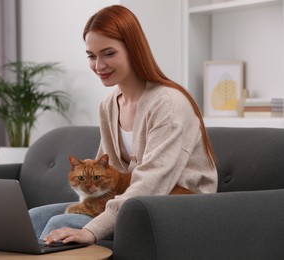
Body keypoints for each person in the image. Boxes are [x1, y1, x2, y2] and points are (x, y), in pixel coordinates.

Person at [29, 4, 218, 245]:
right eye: (91, 55)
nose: (98, 66)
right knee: (34, 217)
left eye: (108, 53)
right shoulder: (108, 104)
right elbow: (110, 173)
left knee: (59, 225)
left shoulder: (168, 104)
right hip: (133, 202)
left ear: (134, 50)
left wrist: (92, 230)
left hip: (177, 206)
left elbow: (152, 182)